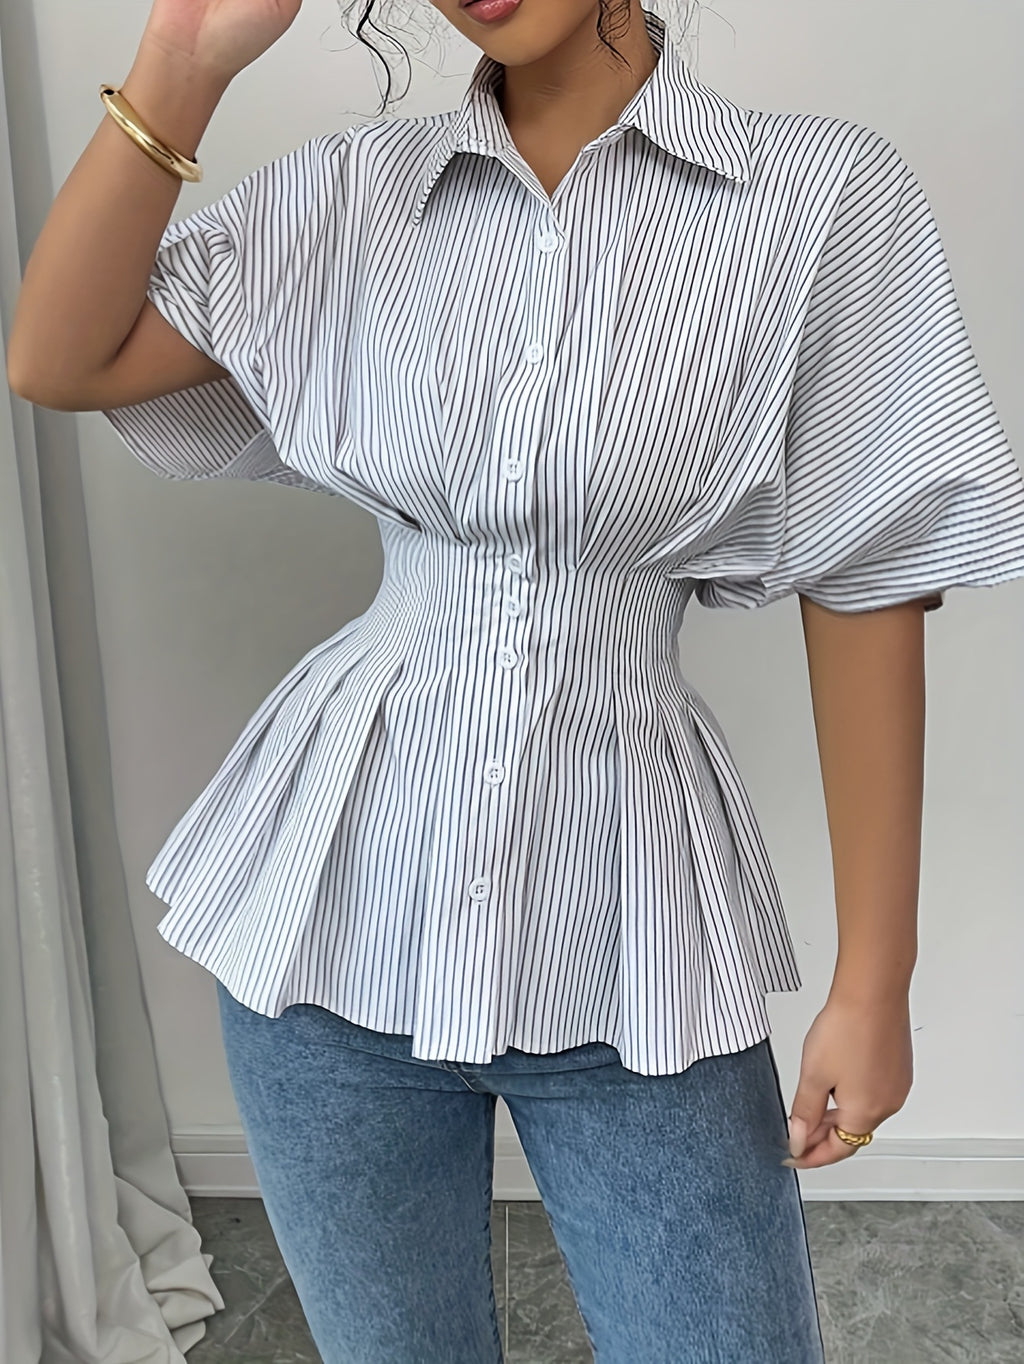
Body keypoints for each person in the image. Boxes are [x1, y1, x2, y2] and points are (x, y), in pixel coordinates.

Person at [9, 1, 1024, 1359]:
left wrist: (874, 981)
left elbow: (867, 575)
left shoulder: (818, 197)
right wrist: (184, 55)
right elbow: (59, 357)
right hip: (327, 920)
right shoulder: (351, 191)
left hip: (632, 937)